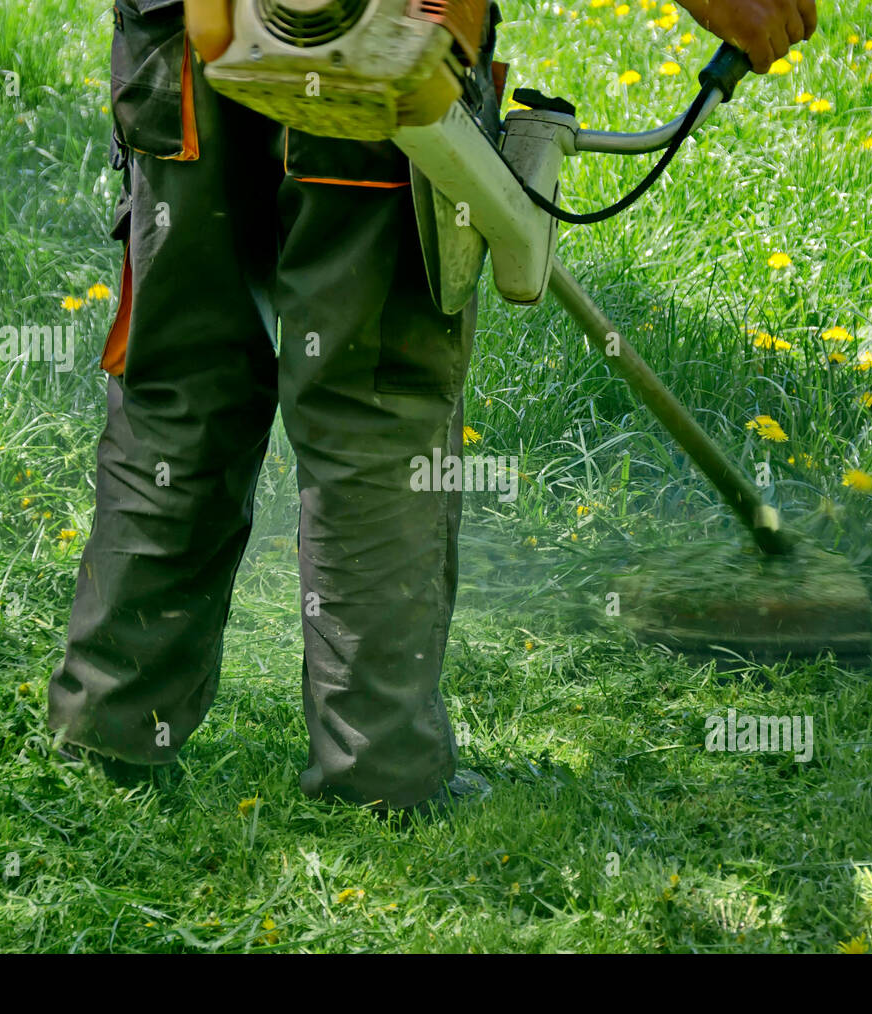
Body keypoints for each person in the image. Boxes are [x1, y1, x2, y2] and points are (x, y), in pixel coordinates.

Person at [48, 0, 817, 815]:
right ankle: (379, 775)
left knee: (181, 387)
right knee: (373, 406)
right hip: (374, 40)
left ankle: (113, 726)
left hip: (186, 39)